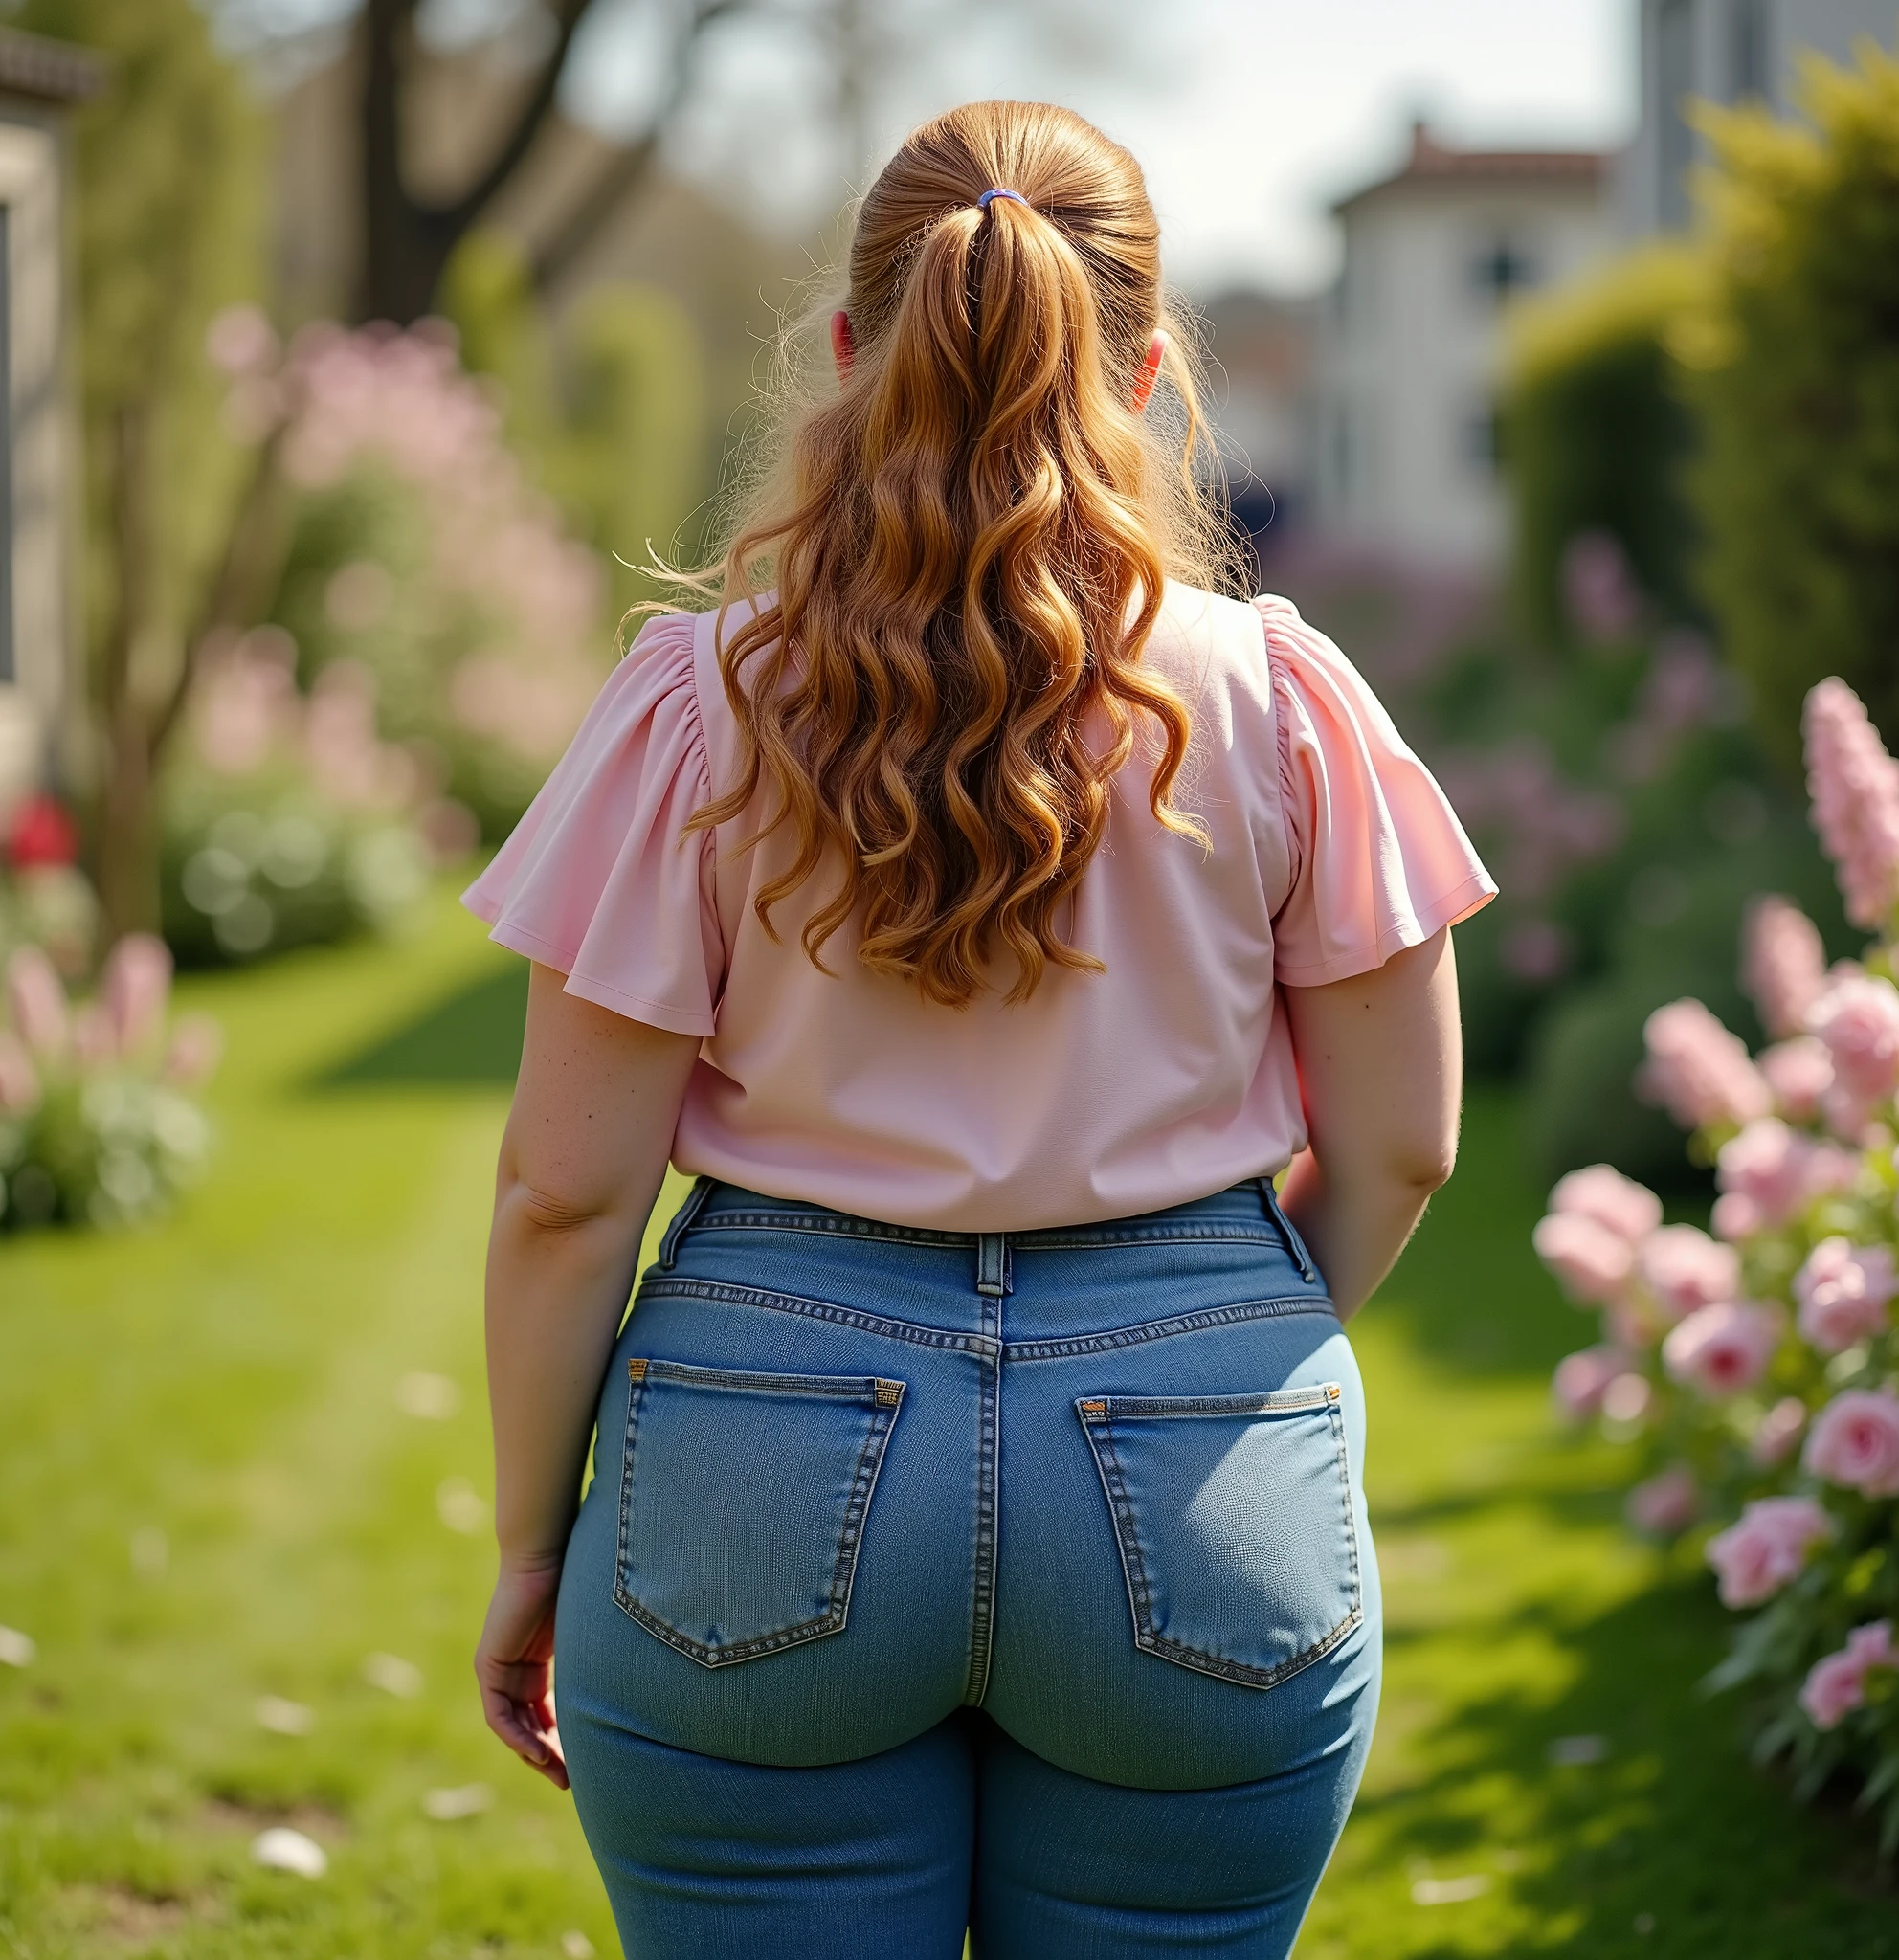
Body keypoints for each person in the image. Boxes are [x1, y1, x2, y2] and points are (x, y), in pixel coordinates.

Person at [464, 99, 1493, 1959]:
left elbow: (561, 1194)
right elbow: (1406, 1136)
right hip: (1196, 1465)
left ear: (851, 353)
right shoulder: (1281, 697)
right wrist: (1208, 1340)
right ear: (1153, 370)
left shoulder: (700, 701)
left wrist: (536, 1545)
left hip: (749, 1462)